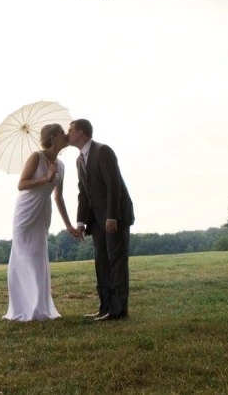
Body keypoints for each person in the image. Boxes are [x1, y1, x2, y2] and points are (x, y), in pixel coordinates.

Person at [3, 123, 79, 321]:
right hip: (26, 211)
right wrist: (45, 178)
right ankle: (23, 307)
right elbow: (22, 185)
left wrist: (69, 225)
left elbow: (58, 197)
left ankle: (40, 307)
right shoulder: (36, 157)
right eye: (62, 132)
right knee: (24, 256)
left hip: (43, 212)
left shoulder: (61, 166)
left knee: (38, 257)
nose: (66, 135)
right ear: (53, 137)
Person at [68, 118, 134, 321]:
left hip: (115, 218)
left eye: (70, 131)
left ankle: (118, 310)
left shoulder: (103, 151)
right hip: (96, 221)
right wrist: (80, 222)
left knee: (116, 262)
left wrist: (112, 216)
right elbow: (83, 193)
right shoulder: (79, 160)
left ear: (81, 133)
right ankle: (105, 307)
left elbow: (114, 185)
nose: (67, 134)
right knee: (102, 263)